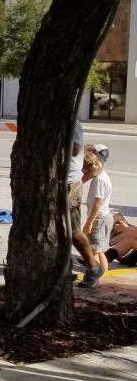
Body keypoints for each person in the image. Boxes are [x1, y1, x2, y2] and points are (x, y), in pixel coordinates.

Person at [67, 121, 105, 287]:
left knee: (73, 230)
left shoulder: (72, 121)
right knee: (57, 231)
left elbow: (75, 148)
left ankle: (93, 266)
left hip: (69, 185)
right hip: (55, 183)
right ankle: (62, 269)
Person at [79, 145, 112, 285]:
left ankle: (93, 279)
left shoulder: (100, 180)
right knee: (99, 250)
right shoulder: (100, 176)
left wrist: (89, 222)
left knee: (92, 251)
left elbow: (98, 203)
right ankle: (100, 276)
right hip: (104, 217)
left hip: (99, 218)